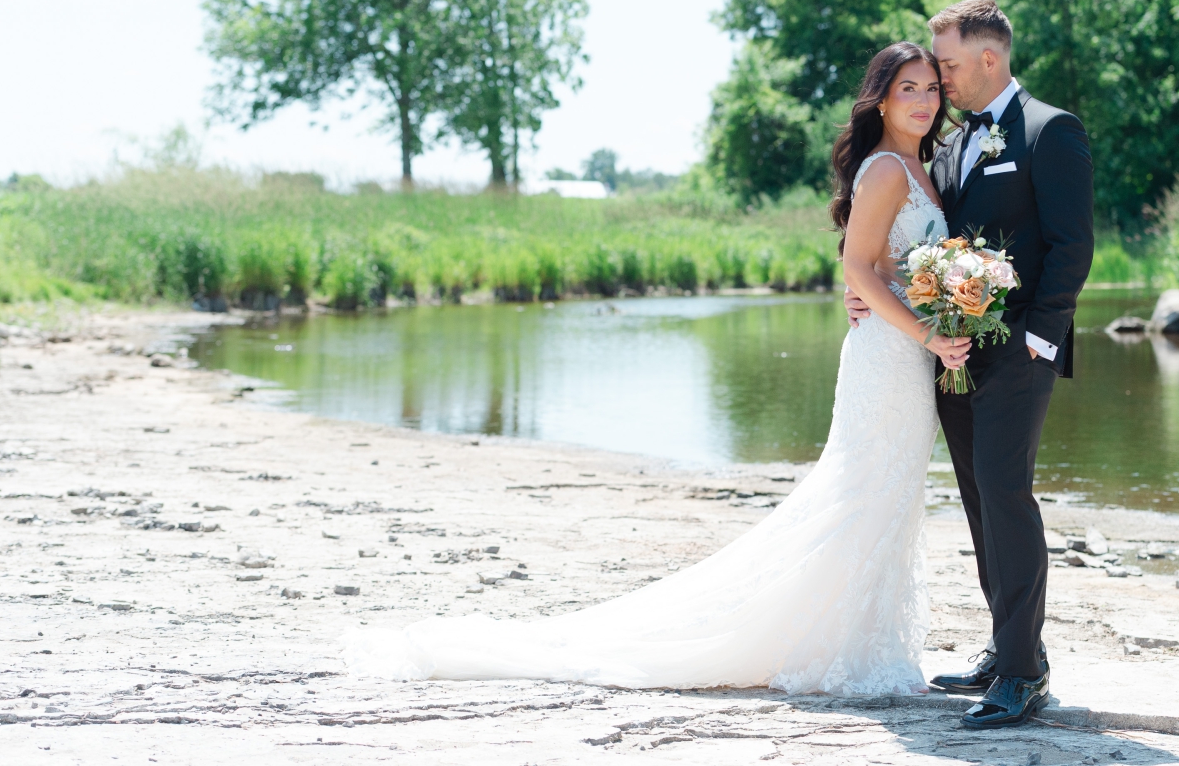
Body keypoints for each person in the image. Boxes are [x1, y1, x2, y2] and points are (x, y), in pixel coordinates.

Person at [340, 41, 960, 696]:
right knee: (859, 494)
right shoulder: (887, 169)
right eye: (907, 89)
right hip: (887, 356)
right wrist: (929, 332)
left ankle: (862, 637)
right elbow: (858, 268)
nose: (922, 101)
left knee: (886, 496)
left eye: (929, 89)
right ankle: (842, 646)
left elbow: (898, 266)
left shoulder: (925, 168)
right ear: (881, 99)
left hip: (911, 359)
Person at [845, 0, 1094, 728]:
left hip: (1019, 351)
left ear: (990, 57)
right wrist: (874, 292)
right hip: (951, 355)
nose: (941, 81)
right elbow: (906, 238)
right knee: (980, 499)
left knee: (1006, 495)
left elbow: (1072, 246)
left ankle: (1024, 672)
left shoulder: (1051, 131)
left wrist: (1041, 341)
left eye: (947, 65)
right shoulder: (951, 143)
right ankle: (1003, 643)